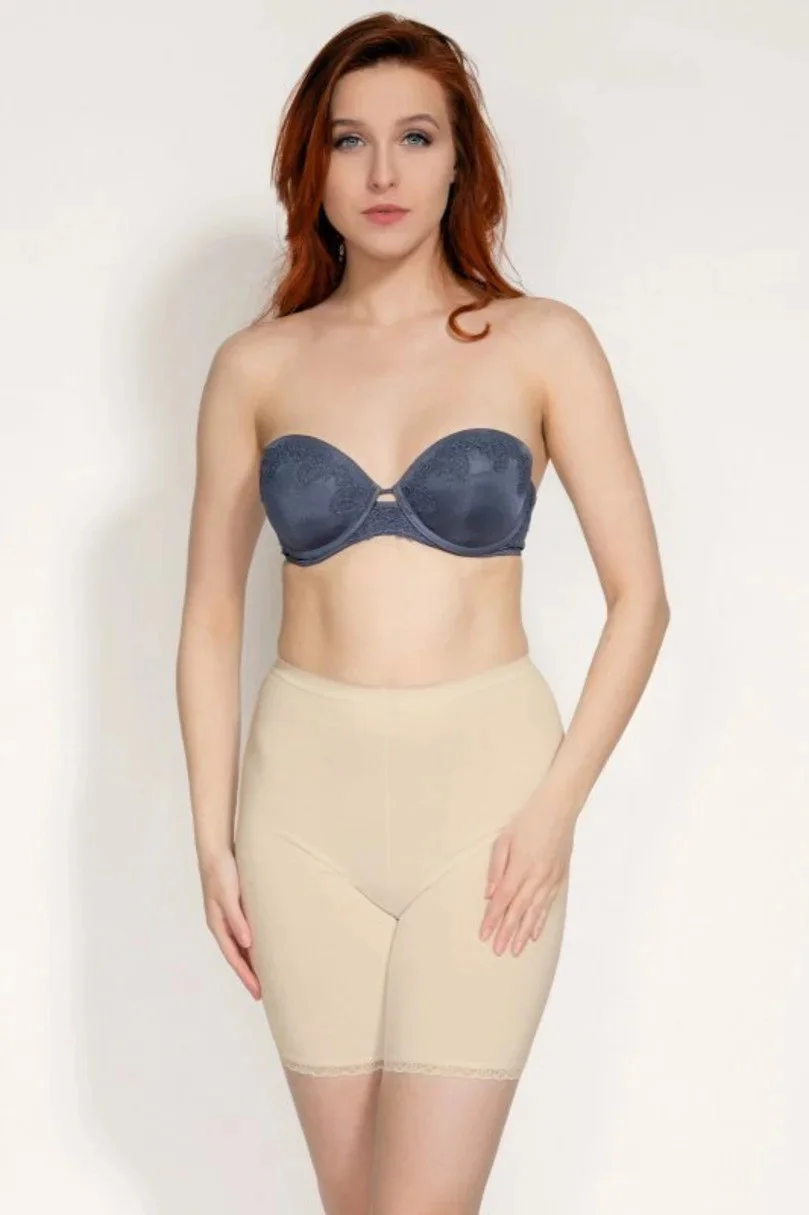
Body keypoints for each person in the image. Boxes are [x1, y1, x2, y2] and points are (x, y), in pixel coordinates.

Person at [175, 12, 670, 1214]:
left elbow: (641, 600)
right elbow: (208, 614)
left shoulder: (541, 343)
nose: (382, 172)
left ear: (460, 161)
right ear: (312, 168)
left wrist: (552, 809)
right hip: (300, 817)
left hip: (486, 810)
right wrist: (211, 838)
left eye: (415, 137)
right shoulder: (256, 366)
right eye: (349, 141)